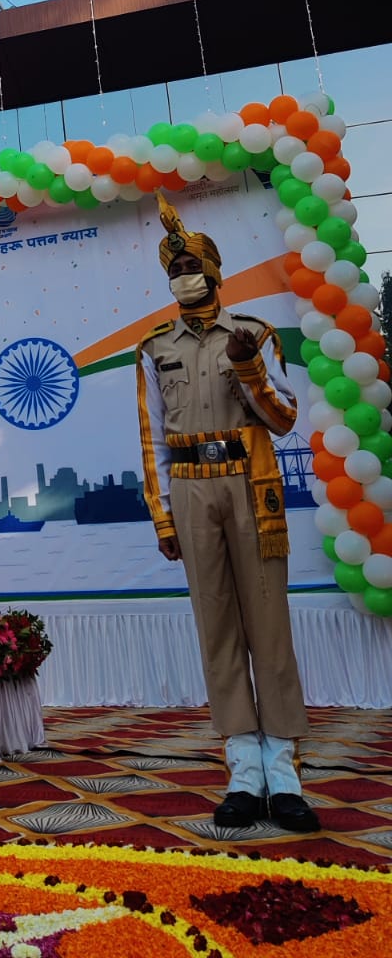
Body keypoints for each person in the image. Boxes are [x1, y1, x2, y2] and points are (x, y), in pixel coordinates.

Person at [137, 193, 319, 833]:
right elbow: (152, 437)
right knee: (216, 628)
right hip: (190, 488)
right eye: (173, 270)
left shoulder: (256, 335)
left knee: (268, 622)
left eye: (192, 267)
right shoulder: (153, 350)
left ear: (214, 274)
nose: (183, 277)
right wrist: (162, 517)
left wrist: (248, 369)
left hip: (250, 482)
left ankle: (284, 768)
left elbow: (285, 419)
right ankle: (243, 765)